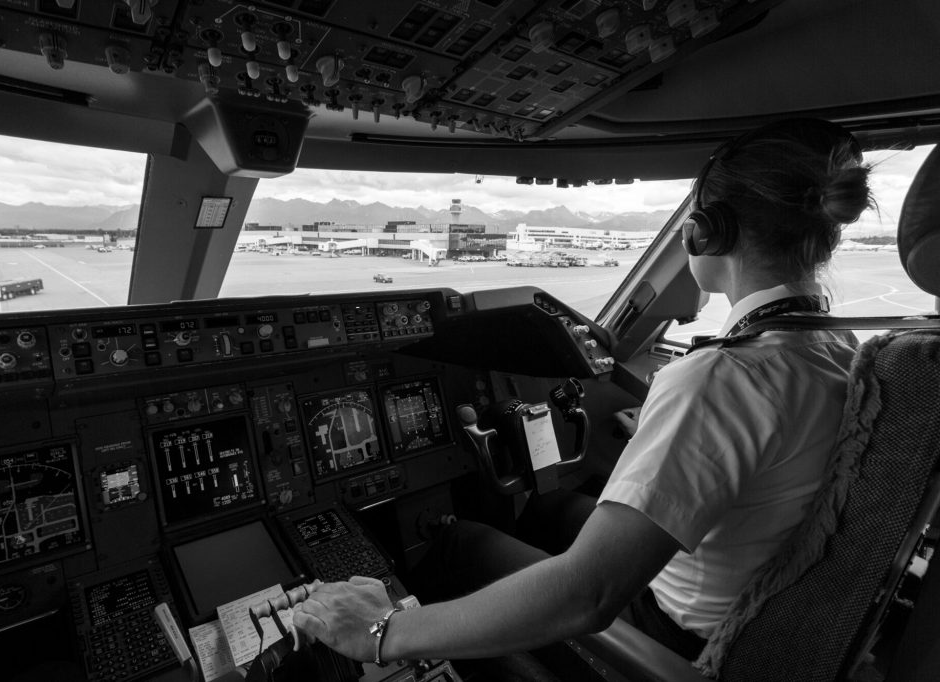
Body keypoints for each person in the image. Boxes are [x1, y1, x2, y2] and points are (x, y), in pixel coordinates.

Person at [291, 118, 875, 667]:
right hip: (760, 606)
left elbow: (589, 596)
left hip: (675, 640)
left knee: (456, 544)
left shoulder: (720, 380)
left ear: (705, 232)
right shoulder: (844, 355)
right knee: (548, 507)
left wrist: (383, 629)